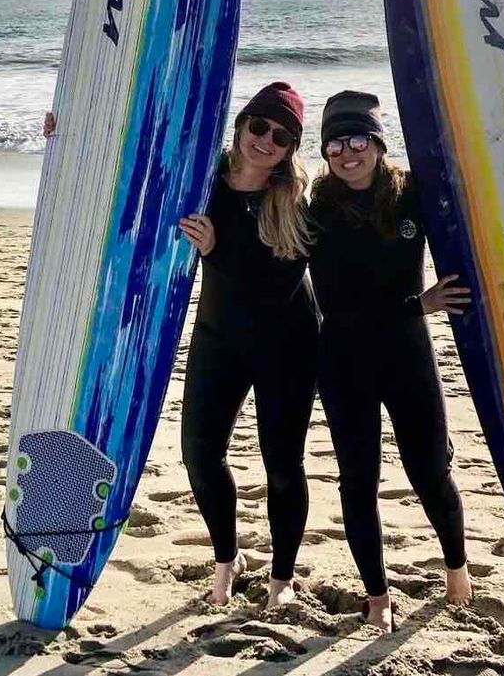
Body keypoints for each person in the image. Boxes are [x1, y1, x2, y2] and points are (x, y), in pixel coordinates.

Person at [308, 90, 473, 633]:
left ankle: (457, 569)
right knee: (359, 481)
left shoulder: (413, 193)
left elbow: (488, 199)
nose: (346, 153)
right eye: (335, 144)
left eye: (357, 139)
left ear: (378, 143)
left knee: (430, 471)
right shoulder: (319, 210)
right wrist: (418, 304)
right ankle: (377, 597)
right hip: (344, 360)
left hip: (407, 355)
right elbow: (336, 303)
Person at [176, 82, 319, 609]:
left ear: (290, 149)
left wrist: (215, 250)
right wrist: (63, 133)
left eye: (281, 137)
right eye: (259, 126)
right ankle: (226, 557)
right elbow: (133, 160)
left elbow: (277, 285)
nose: (266, 140)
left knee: (282, 465)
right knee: (199, 456)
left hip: (288, 344)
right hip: (219, 337)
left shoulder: (295, 200)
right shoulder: (200, 178)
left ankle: (281, 578)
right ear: (240, 124)